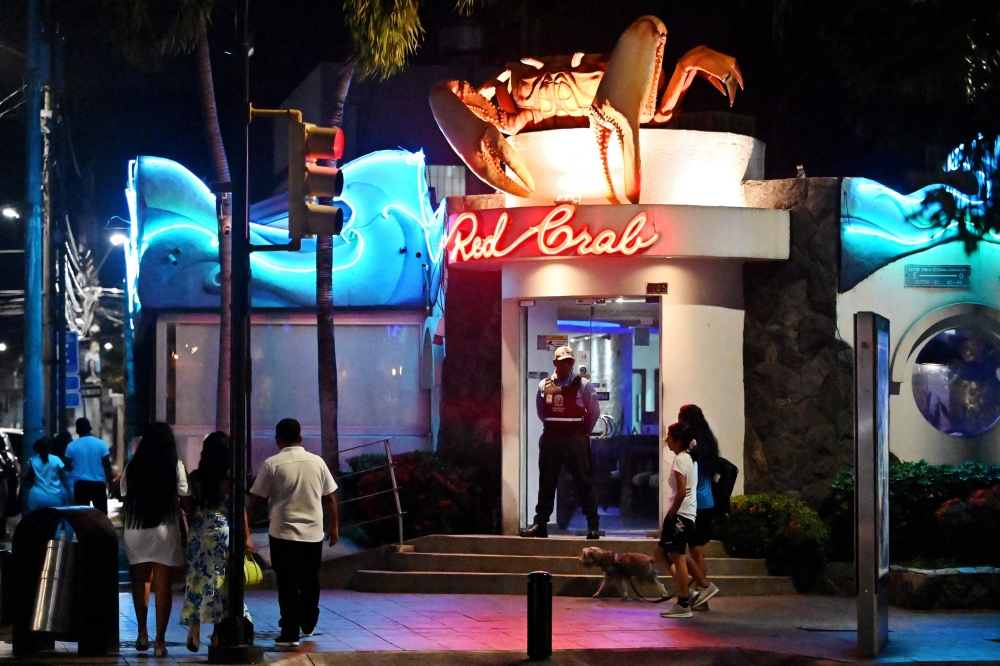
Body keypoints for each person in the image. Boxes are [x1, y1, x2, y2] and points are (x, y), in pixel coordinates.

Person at [249, 418, 338, 647]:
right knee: (310, 579)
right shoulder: (317, 462)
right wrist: (334, 526)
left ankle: (290, 632)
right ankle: (308, 622)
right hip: (313, 533)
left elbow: (257, 499)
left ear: (278, 440)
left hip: (282, 534)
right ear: (301, 437)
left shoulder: (272, 464)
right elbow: (329, 497)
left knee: (287, 582)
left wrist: (246, 526)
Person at [121, 422, 193, 657]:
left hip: (136, 529)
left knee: (140, 582)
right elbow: (186, 500)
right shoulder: (175, 466)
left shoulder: (132, 467)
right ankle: (160, 642)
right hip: (164, 529)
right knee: (163, 586)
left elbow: (125, 501)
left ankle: (142, 633)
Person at [180, 432, 253, 652]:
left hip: (200, 529)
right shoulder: (230, 478)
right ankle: (216, 635)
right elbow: (239, 509)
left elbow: (189, 507)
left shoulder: (195, 477)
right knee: (220, 583)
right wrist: (247, 538)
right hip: (223, 531)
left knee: (196, 581)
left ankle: (194, 631)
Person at [520, 346, 602, 540]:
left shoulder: (583, 385)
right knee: (547, 482)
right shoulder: (544, 385)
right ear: (555, 362)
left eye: (570, 361)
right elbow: (541, 412)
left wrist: (584, 431)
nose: (566, 364)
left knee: (584, 481)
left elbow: (594, 412)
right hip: (552, 438)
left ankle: (593, 526)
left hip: (575, 438)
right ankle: (540, 524)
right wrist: (554, 427)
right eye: (562, 361)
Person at [655, 422, 714, 619]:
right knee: (662, 553)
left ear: (678, 440)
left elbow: (681, 491)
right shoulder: (689, 458)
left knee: (677, 557)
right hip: (687, 513)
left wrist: (672, 515)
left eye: (669, 437)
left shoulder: (681, 459)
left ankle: (683, 602)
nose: (666, 441)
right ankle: (699, 587)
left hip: (680, 513)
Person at [679, 404, 722, 611]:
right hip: (708, 501)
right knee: (698, 552)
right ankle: (702, 596)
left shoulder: (691, 442)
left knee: (680, 548)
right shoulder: (708, 440)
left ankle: (703, 589)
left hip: (693, 502)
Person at [64, 418, 113, 514]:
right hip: (98, 485)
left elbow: (66, 466)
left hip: (81, 485)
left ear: (77, 431)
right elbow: (107, 465)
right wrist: (111, 483)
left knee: (82, 517)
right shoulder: (101, 444)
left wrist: (75, 467)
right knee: (101, 515)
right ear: (90, 428)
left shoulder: (71, 446)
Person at [22, 436, 72, 514]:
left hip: (36, 498)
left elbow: (24, 478)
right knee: (53, 522)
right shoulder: (56, 460)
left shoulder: (31, 461)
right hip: (54, 498)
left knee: (37, 522)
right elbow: (64, 478)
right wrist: (70, 493)